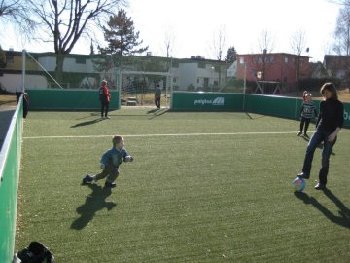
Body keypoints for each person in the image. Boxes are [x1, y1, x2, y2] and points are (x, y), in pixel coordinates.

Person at [297, 82, 344, 190]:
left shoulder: (339, 104)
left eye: (326, 92)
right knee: (310, 147)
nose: (325, 95)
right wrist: (316, 130)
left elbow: (340, 121)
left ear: (332, 91)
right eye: (323, 93)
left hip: (331, 133)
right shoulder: (323, 103)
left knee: (325, 158)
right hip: (320, 130)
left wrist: (334, 134)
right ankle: (305, 172)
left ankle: (322, 182)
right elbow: (320, 118)